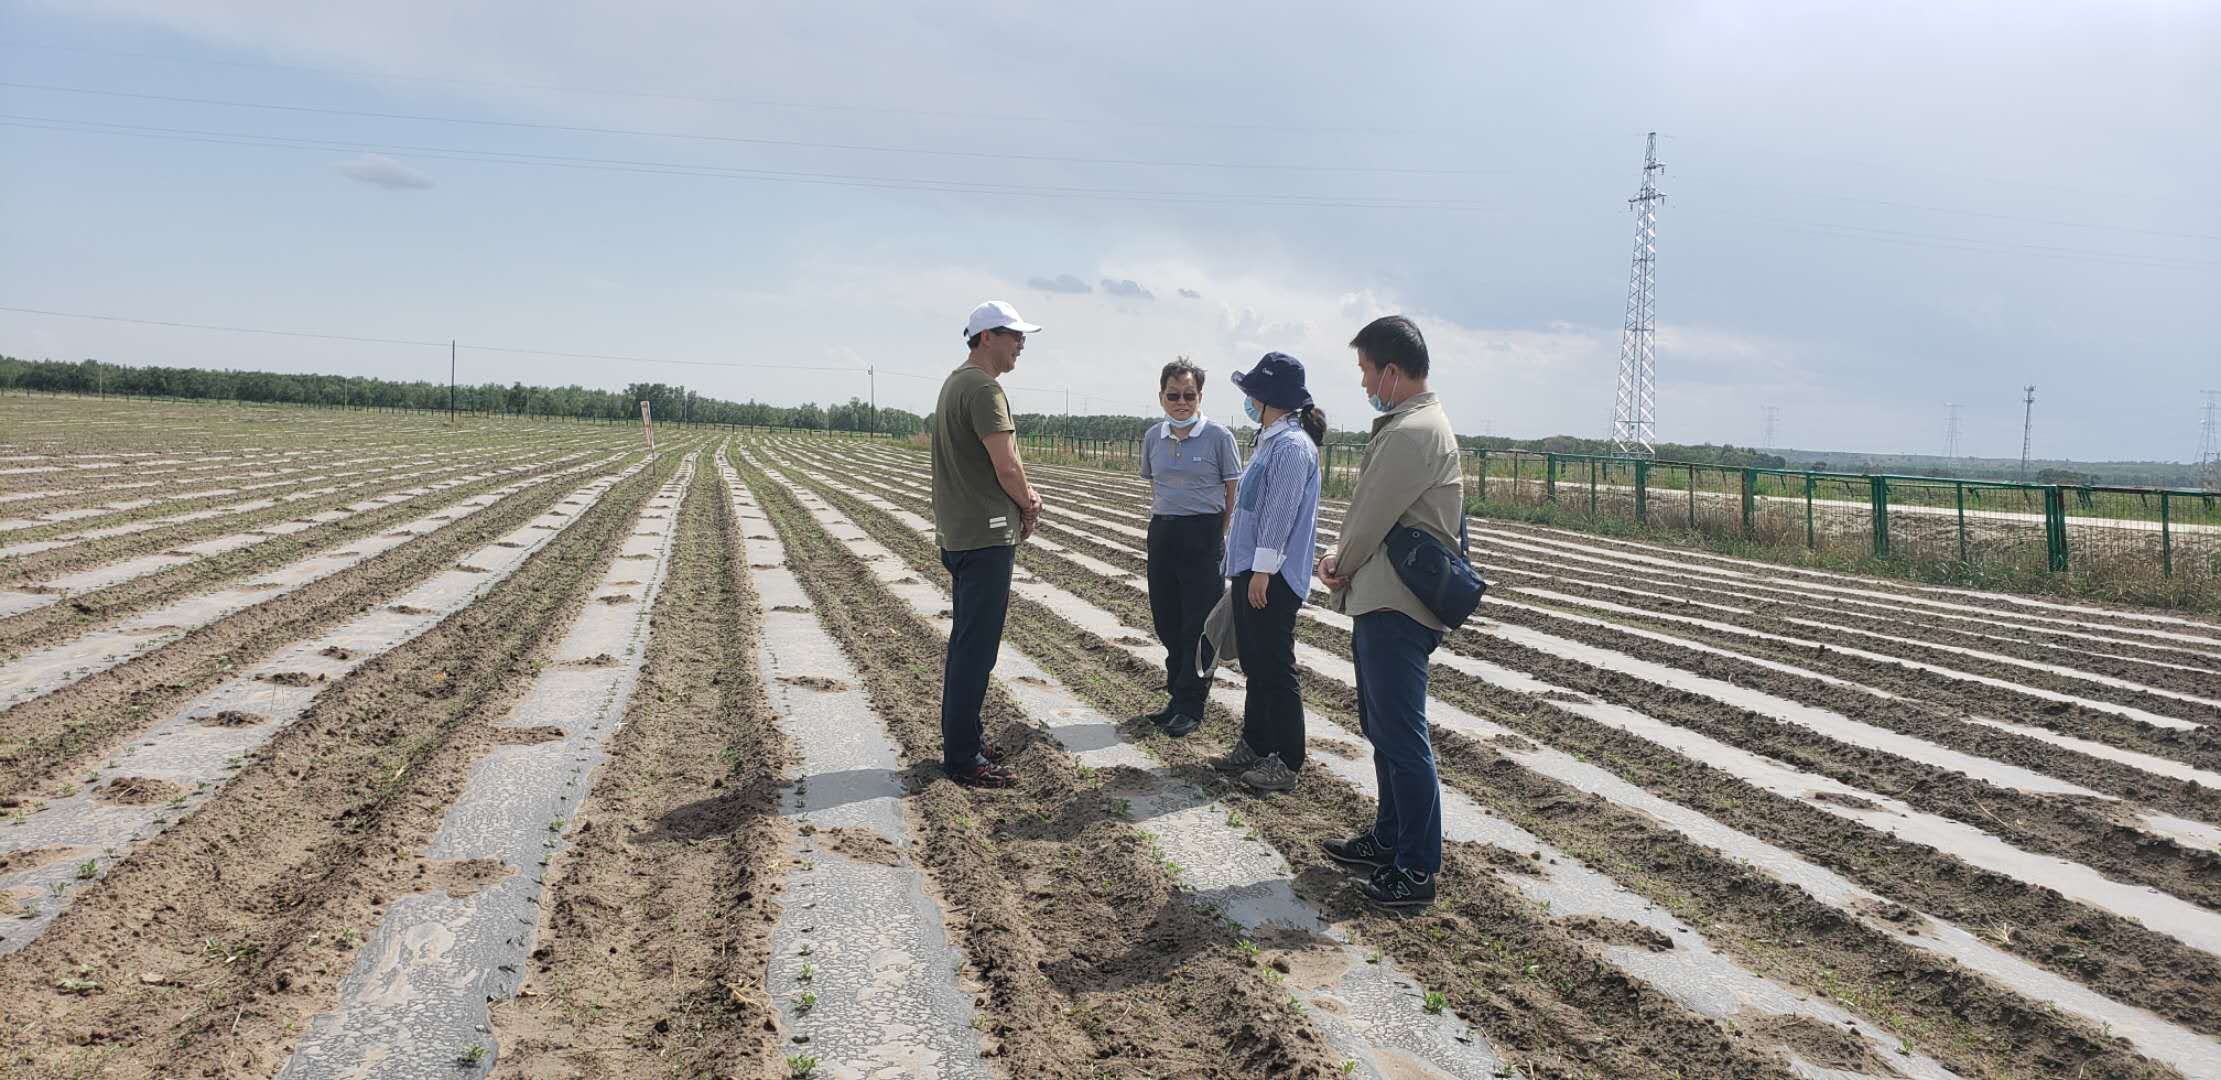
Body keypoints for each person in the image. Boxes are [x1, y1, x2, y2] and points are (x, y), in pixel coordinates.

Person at [1317, 315, 1461, 909]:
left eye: (1366, 371)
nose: (1363, 383)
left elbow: (1370, 514)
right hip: (1389, 597)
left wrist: (1338, 562)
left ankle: (1416, 869)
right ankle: (1389, 838)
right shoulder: (1417, 425)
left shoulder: (1411, 433)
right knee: (1384, 730)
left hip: (1395, 603)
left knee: (1401, 736)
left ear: (1393, 372)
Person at [930, 300, 1043, 788]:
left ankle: (968, 738)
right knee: (976, 650)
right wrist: (1029, 502)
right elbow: (1007, 464)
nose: (1021, 345)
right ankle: (962, 757)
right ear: (986, 337)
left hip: (961, 534)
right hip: (986, 535)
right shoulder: (983, 389)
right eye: (1015, 336)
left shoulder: (955, 382)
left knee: (967, 643)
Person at [1206, 352, 1325, 794]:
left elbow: (1279, 514)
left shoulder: (1291, 447)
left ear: (1268, 397)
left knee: (1274, 666)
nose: (1249, 400)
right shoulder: (1270, 440)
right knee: (1256, 663)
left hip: (1270, 577)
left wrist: (1262, 571)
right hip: (1251, 571)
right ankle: (1254, 744)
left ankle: (1287, 760)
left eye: (1253, 393)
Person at [1138, 357, 1243, 737]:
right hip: (1163, 533)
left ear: (1200, 397)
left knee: (1198, 625)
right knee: (1166, 620)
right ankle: (1175, 697)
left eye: (1189, 395)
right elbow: (1155, 483)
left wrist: (1218, 534)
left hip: (1203, 535)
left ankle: (1191, 706)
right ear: (1161, 397)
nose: (1181, 402)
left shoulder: (1219, 437)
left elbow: (1232, 491)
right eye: (1173, 395)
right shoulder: (1153, 437)